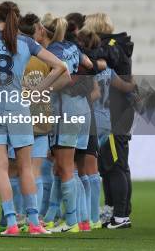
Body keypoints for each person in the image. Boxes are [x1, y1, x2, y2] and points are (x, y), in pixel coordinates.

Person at [0, 2, 65, 236]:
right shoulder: (26, 42)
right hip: (19, 108)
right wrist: (38, 91)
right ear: (17, 17)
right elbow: (60, 66)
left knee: (1, 168)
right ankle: (34, 223)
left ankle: (11, 223)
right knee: (25, 167)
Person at [40, 13, 95, 233]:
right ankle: (83, 220)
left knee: (65, 167)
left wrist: (40, 90)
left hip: (66, 110)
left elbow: (61, 77)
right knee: (66, 167)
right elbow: (89, 64)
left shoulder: (51, 53)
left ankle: (71, 221)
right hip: (82, 109)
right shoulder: (72, 46)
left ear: (43, 31)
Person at [83, 13, 135, 229]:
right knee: (113, 165)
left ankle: (121, 215)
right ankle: (115, 210)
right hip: (116, 112)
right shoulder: (115, 48)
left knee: (115, 166)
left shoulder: (111, 49)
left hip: (113, 115)